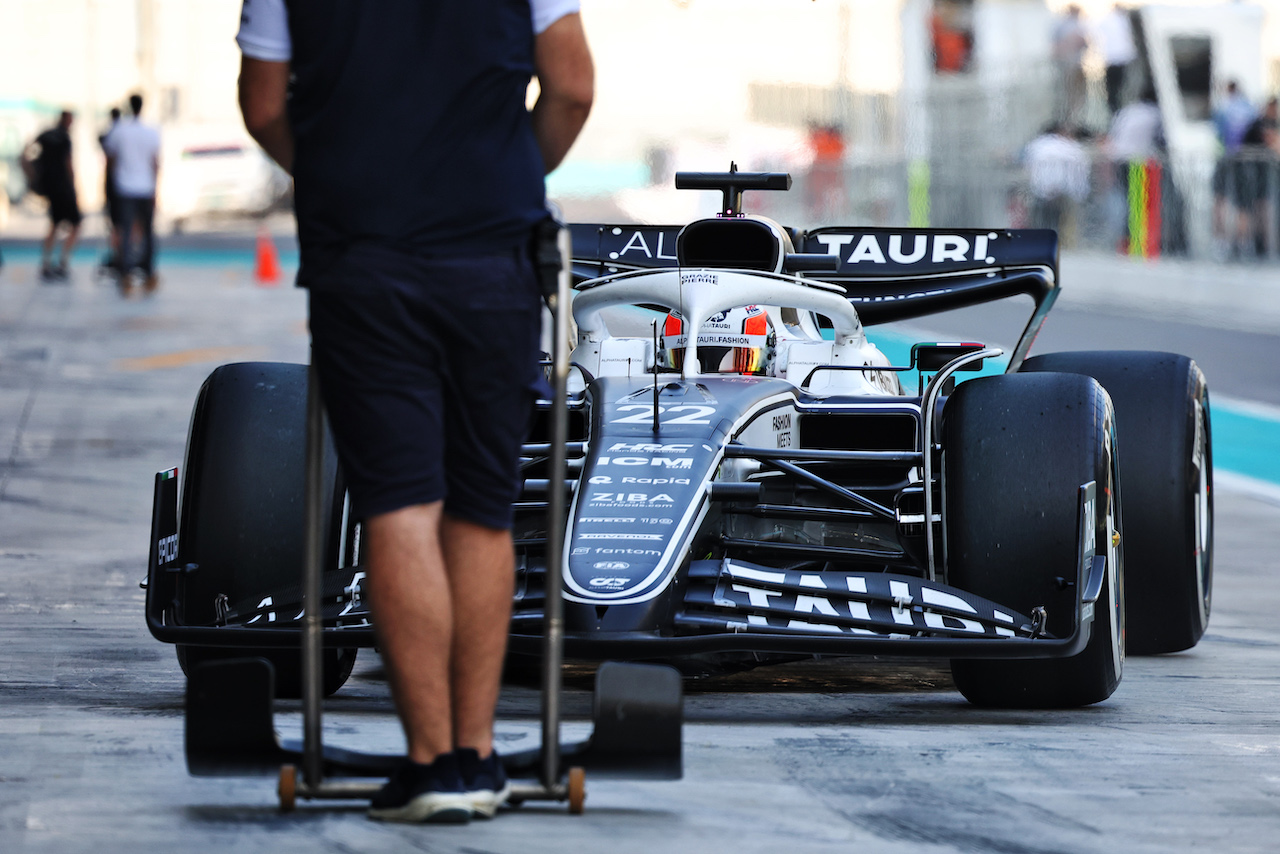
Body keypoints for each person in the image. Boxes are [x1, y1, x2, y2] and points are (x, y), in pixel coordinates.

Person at [235, 0, 593, 824]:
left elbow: (261, 105)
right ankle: (477, 757)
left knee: (400, 505)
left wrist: (331, 171)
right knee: (481, 510)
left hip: (366, 253)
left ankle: (431, 763)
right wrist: (507, 175)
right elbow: (571, 87)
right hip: (493, 251)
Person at [101, 94, 161, 294]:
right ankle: (149, 272)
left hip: (125, 188)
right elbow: (155, 163)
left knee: (126, 232)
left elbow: (110, 159)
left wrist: (108, 185)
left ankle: (126, 274)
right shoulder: (151, 132)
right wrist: (155, 189)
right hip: (145, 187)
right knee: (147, 233)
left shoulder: (119, 131)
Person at [27, 111, 81, 282]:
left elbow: (25, 153)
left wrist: (32, 175)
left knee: (54, 224)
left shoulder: (46, 134)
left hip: (50, 188)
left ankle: (46, 263)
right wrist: (74, 186)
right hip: (63, 188)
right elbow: (68, 163)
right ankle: (62, 262)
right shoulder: (64, 138)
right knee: (75, 224)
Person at [1023, 122, 1091, 245]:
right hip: (1067, 190)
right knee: (1067, 215)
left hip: (1040, 188)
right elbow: (1083, 171)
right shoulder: (1072, 148)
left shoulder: (1037, 145)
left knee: (1042, 215)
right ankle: (1067, 242)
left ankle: (1039, 239)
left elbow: (1027, 165)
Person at [1095, 4, 1137, 115]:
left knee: (1118, 86)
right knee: (1115, 87)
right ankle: (1115, 109)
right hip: (1115, 58)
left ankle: (1117, 108)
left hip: (1119, 58)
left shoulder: (1122, 20)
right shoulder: (1115, 20)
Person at [1052, 4, 1089, 124]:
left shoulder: (1079, 25)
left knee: (1079, 94)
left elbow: (1086, 44)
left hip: (1078, 64)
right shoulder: (1062, 26)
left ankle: (1077, 119)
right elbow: (1056, 47)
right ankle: (1067, 120)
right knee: (1067, 95)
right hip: (1066, 66)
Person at [99, 107, 123, 273]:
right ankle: (119, 255)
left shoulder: (111, 136)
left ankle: (120, 255)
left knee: (116, 225)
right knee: (121, 224)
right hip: (120, 187)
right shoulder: (118, 136)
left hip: (116, 187)